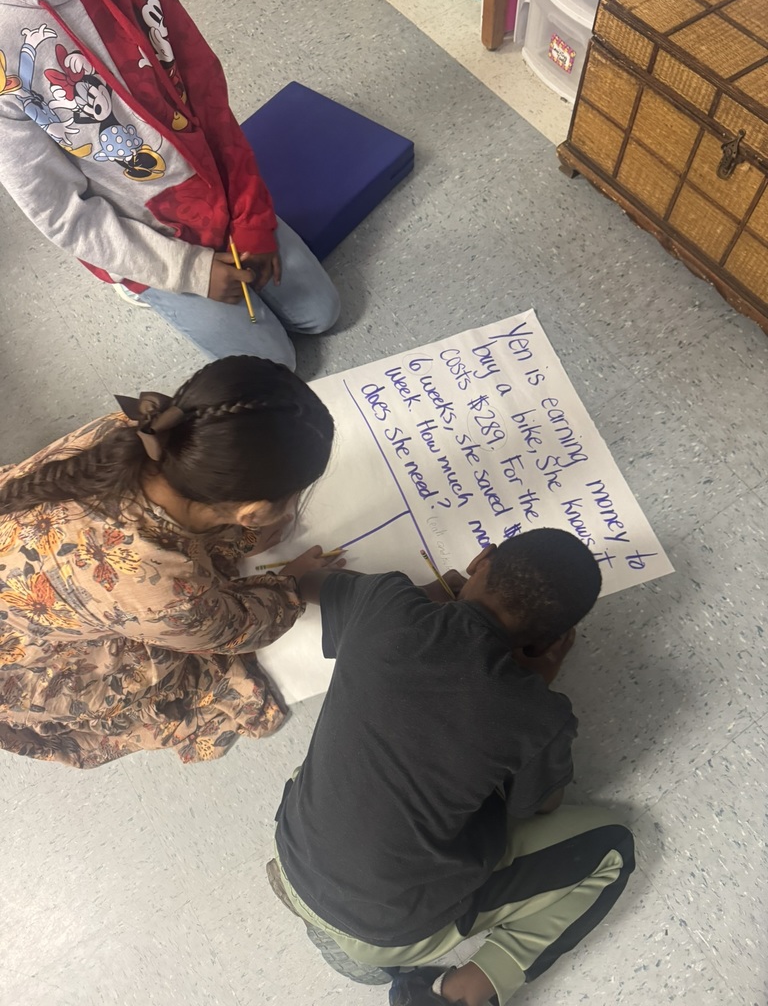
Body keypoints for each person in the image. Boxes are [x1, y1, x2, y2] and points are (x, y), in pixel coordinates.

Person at [270, 529, 636, 1006]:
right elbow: (539, 806)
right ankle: (465, 990)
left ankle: (354, 939)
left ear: (481, 560)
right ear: (551, 642)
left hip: (292, 852)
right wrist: (537, 687)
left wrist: (294, 576)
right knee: (613, 847)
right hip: (390, 925)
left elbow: (312, 584)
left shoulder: (384, 599)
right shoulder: (540, 715)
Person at [0, 355, 343, 768]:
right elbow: (236, 629)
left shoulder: (132, 430)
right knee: (171, 675)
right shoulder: (167, 593)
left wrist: (237, 537)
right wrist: (289, 586)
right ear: (252, 512)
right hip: (26, 653)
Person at [0, 0, 339, 368]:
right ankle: (137, 280)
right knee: (275, 364)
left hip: (217, 192)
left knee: (320, 313)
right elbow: (61, 213)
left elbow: (209, 98)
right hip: (144, 232)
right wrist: (187, 271)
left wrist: (252, 217)